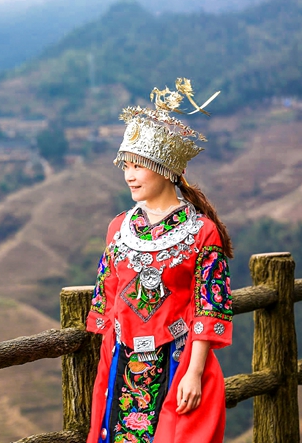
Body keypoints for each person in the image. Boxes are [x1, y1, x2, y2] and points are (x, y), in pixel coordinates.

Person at [86, 78, 233, 443]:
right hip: (121, 367)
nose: (129, 175)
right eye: (125, 165)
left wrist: (194, 372)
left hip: (178, 364)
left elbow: (209, 308)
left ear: (165, 167)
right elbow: (109, 304)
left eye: (138, 165)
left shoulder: (202, 233)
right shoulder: (119, 229)